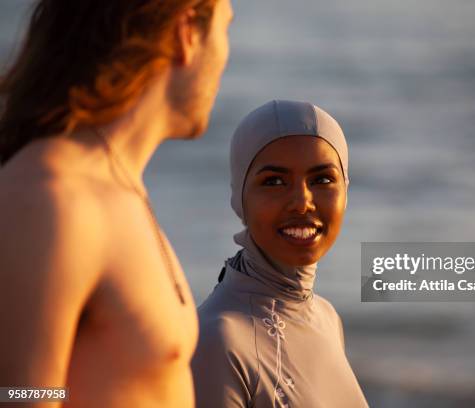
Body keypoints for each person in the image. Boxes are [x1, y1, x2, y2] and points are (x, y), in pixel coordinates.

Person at [0, 0, 233, 407]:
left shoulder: (116, 186)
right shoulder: (51, 197)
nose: (225, 56)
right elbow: (19, 396)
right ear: (187, 33)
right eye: (225, 28)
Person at [191, 100, 369, 407]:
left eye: (322, 179)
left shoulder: (326, 317)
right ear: (240, 197)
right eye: (274, 181)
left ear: (346, 190)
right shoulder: (217, 341)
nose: (302, 202)